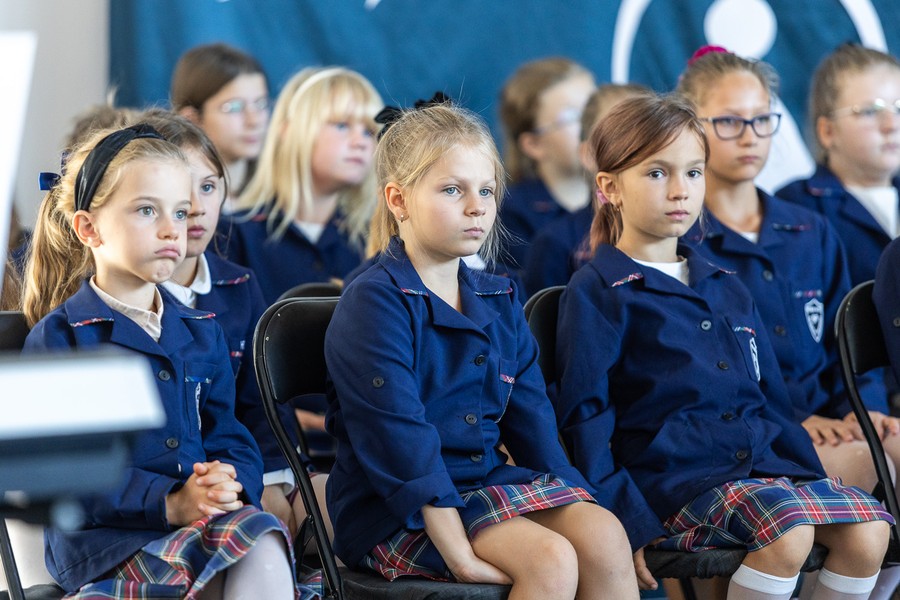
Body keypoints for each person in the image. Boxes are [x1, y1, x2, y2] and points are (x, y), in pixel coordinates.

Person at [554, 94, 892, 600]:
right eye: (656, 174)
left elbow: (770, 401)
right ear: (609, 188)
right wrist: (626, 518)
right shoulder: (598, 290)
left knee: (871, 531)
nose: (680, 191)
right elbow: (586, 419)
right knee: (789, 530)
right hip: (675, 484)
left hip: (761, 473)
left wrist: (802, 474)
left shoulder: (725, 282)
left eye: (693, 173)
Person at [324, 101, 639, 597]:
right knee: (551, 560)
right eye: (453, 190)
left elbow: (535, 425)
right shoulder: (374, 301)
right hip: (393, 509)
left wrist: (578, 500)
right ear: (398, 199)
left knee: (605, 536)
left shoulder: (498, 295)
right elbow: (399, 437)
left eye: (487, 191)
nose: (477, 207)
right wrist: (458, 554)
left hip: (484, 484)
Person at [19, 124, 298, 598]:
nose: (174, 228)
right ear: (89, 228)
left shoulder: (199, 328)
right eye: (148, 210)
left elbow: (229, 434)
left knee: (261, 537)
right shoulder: (62, 338)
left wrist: (229, 480)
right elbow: (64, 478)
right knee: (236, 559)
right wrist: (168, 504)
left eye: (181, 211)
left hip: (193, 533)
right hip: (107, 549)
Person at [677, 48, 900, 598]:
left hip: (828, 420)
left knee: (886, 446)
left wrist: (860, 404)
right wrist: (798, 419)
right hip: (745, 439)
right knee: (872, 468)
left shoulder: (809, 229)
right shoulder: (682, 239)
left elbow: (842, 344)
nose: (749, 135)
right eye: (728, 121)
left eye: (761, 119)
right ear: (690, 126)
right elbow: (699, 376)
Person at [138, 109, 327, 545]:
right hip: (177, 488)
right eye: (183, 191)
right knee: (262, 537)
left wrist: (272, 483)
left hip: (245, 468)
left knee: (338, 513)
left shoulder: (238, 284)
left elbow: (260, 406)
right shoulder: (135, 296)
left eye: (209, 186)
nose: (198, 207)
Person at [217, 66, 382, 304]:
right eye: (342, 125)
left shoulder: (376, 243)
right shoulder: (232, 236)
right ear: (289, 130)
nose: (360, 142)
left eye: (369, 131)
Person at [777, 43, 900, 286]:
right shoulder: (795, 207)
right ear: (828, 131)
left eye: (899, 107)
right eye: (869, 111)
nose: (891, 125)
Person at [522, 82, 650, 297]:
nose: (639, 149)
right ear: (589, 155)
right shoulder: (555, 244)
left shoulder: (683, 233)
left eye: (651, 136)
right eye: (620, 135)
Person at [498, 57, 597, 269]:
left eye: (594, 109)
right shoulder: (513, 218)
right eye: (572, 116)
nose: (593, 125)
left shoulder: (623, 196)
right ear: (533, 144)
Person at [171, 42, 270, 209]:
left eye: (260, 104)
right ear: (191, 119)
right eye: (234, 107)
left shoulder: (279, 199)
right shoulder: (176, 204)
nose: (255, 121)